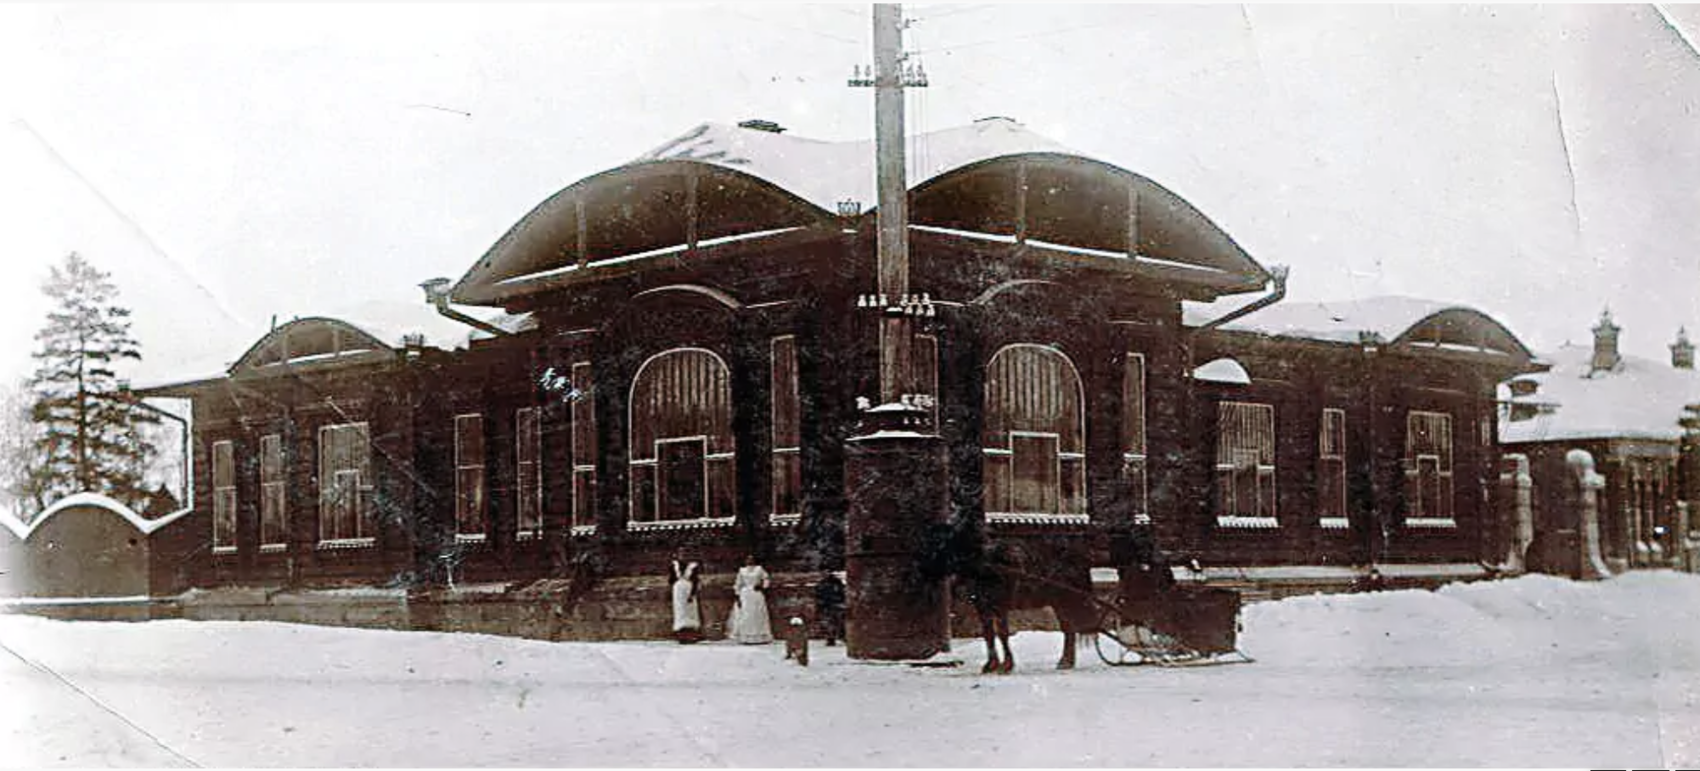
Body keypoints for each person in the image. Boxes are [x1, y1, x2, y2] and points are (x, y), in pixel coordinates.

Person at [726, 554, 774, 644]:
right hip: (745, 594)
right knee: (746, 615)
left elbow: (766, 579)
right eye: (747, 559)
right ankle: (746, 637)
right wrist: (737, 595)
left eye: (751, 559)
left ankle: (760, 636)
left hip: (756, 593)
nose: (749, 561)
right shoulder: (742, 570)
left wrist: (762, 586)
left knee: (757, 613)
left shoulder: (759, 569)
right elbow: (738, 583)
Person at [669, 553, 702, 644]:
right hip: (678, 590)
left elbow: (695, 580)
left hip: (689, 588)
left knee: (691, 611)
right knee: (680, 612)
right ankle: (681, 634)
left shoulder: (693, 566)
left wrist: (692, 594)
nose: (683, 556)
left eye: (685, 555)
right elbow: (671, 579)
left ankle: (692, 634)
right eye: (681, 555)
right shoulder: (674, 565)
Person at [814, 571, 846, 646]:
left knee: (832, 623)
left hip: (830, 605)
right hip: (833, 605)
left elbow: (818, 595)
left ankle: (832, 638)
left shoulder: (824, 584)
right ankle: (836, 637)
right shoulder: (836, 583)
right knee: (836, 622)